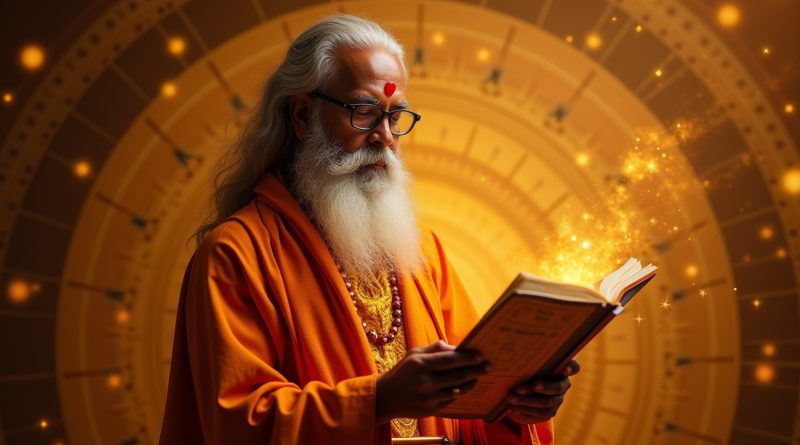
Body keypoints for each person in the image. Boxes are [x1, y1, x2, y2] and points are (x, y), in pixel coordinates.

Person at [159, 14, 578, 445]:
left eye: (395, 117)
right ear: (303, 115)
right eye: (364, 113)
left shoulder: (423, 252)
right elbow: (239, 423)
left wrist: (515, 407)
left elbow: (469, 407)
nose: (384, 137)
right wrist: (379, 400)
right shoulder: (235, 254)